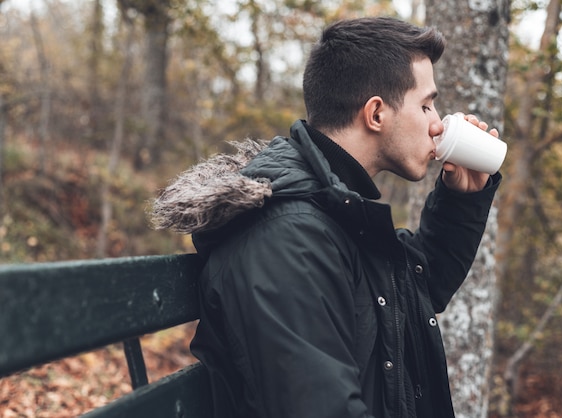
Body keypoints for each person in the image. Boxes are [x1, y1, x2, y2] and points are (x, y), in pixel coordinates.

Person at [150, 16, 502, 418]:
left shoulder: (334, 216)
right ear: (375, 114)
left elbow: (414, 287)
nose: (438, 123)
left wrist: (462, 200)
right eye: (425, 105)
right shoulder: (286, 238)